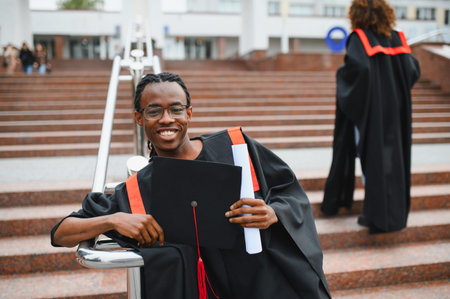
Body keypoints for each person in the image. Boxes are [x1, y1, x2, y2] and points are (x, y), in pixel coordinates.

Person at [51, 72, 331, 299]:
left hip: (269, 285)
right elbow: (61, 233)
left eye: (176, 109)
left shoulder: (235, 147)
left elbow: (290, 194)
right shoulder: (138, 190)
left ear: (189, 113)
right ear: (139, 118)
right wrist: (114, 219)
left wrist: (273, 213)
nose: (166, 119)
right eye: (153, 111)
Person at [321, 0, 421, 233]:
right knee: (393, 162)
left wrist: (341, 75)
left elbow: (358, 71)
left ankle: (377, 216)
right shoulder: (398, 38)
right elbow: (413, 70)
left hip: (372, 112)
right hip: (396, 114)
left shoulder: (359, 38)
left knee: (373, 161)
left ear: (356, 15)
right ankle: (392, 215)